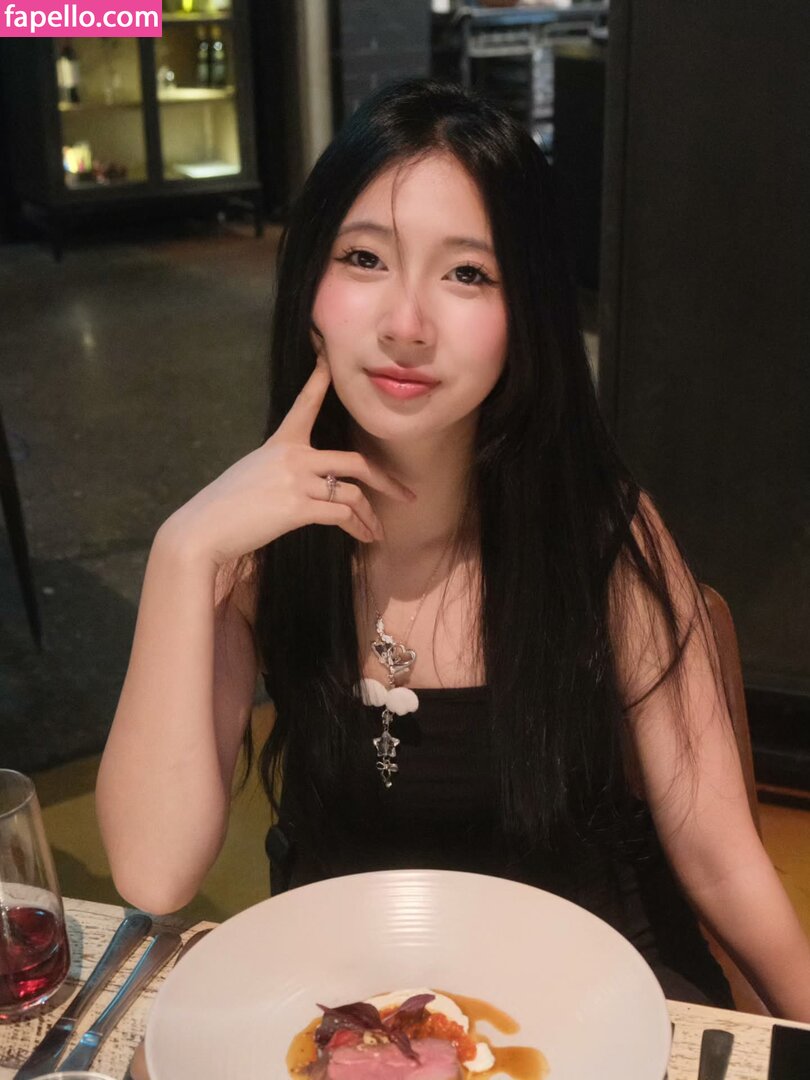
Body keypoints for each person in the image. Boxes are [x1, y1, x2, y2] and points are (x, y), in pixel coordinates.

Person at [96, 77, 810, 1019]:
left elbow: (721, 861)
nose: (406, 325)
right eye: (364, 258)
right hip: (351, 1010)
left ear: (528, 313)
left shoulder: (598, 530)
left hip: (587, 1001)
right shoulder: (258, 548)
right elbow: (153, 874)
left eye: (467, 274)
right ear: (310, 290)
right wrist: (182, 552)